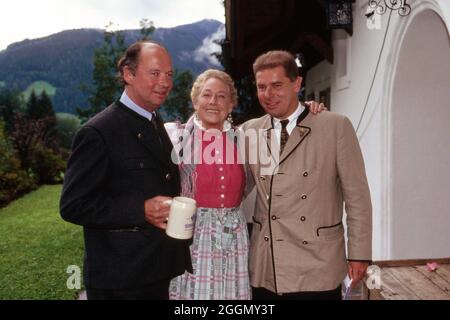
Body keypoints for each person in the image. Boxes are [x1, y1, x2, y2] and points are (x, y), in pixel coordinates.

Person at [166, 69, 325, 300]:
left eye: (221, 97)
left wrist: (307, 109)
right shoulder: (176, 136)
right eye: (206, 95)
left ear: (231, 104)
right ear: (195, 100)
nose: (213, 102)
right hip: (193, 235)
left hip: (235, 234)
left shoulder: (245, 138)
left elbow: (285, 128)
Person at [59, 40, 192, 300]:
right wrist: (140, 209)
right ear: (128, 74)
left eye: (169, 74)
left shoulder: (154, 122)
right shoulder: (98, 132)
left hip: (155, 270)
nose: (165, 82)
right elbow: (73, 205)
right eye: (155, 73)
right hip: (120, 281)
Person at [241, 50, 372, 300]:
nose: (268, 95)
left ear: (297, 83)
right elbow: (229, 181)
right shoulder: (250, 131)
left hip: (317, 264)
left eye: (277, 85)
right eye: (262, 87)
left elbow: (357, 198)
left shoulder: (335, 126)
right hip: (267, 264)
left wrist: (359, 253)